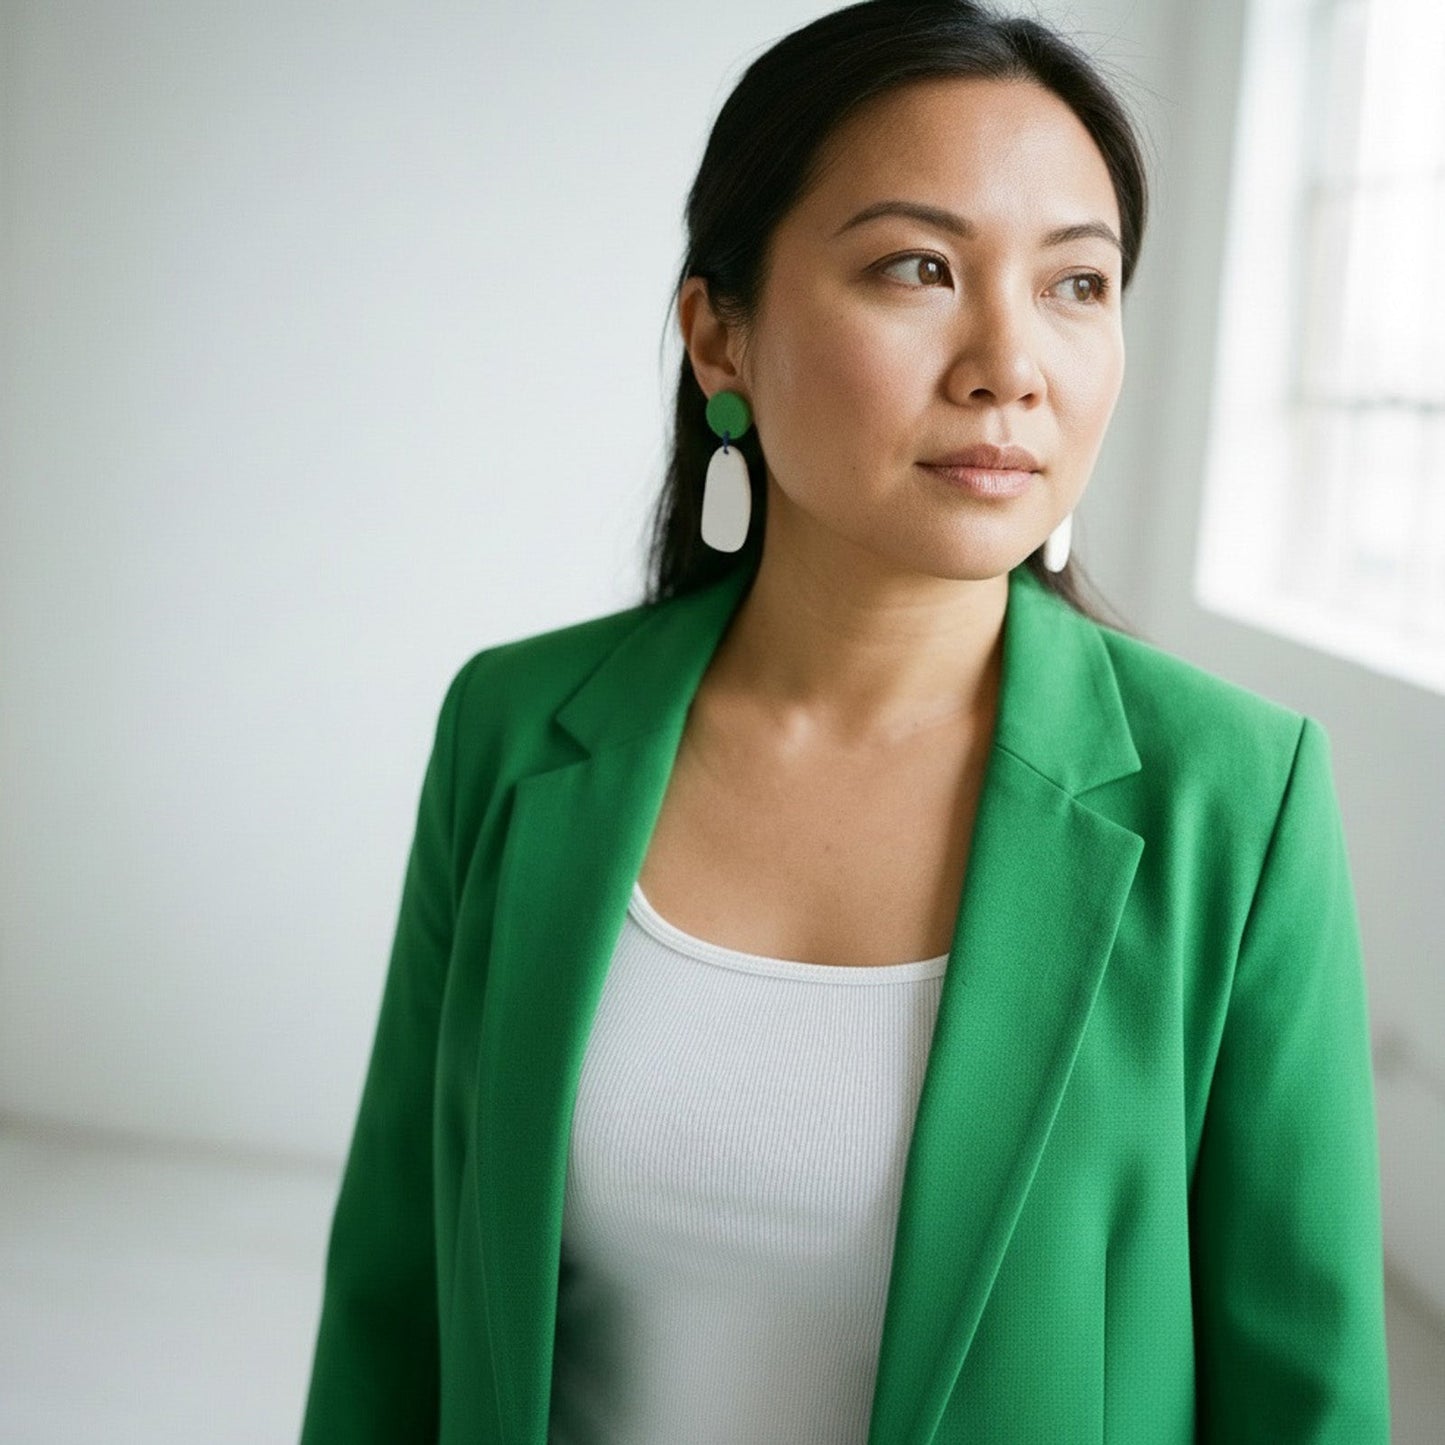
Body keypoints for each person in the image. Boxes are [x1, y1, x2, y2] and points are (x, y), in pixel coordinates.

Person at [299, 2, 1391, 1441]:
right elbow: (396, 1303)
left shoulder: (1230, 800)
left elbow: (1303, 1395)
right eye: (918, 267)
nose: (1010, 361)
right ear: (718, 335)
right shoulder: (515, 729)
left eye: (1077, 283)